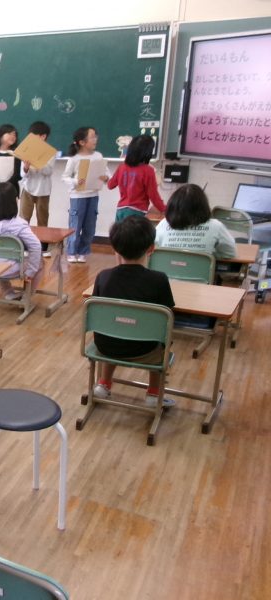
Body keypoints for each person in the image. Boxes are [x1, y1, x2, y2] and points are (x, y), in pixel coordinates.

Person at [92, 216, 175, 407]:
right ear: (151, 248)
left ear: (115, 248)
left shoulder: (103, 277)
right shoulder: (159, 280)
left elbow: (98, 316)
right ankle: (153, 393)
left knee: (114, 326)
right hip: (145, 350)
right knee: (160, 337)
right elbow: (167, 318)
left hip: (105, 347)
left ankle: (103, 384)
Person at [0, 182, 44, 300]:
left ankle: (8, 292)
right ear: (13, 202)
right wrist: (30, 273)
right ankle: (26, 297)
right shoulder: (18, 224)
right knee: (40, 262)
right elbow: (36, 246)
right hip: (7, 269)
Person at [62, 126, 110, 263]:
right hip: (78, 196)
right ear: (82, 142)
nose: (95, 139)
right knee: (75, 225)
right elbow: (65, 177)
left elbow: (107, 173)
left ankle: (83, 252)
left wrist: (106, 178)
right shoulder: (74, 158)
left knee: (90, 226)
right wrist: (75, 181)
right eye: (92, 137)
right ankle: (71, 252)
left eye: (96, 136)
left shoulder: (98, 156)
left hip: (93, 195)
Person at [154, 183, 236, 259]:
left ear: (172, 205)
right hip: (202, 270)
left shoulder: (163, 224)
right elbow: (230, 253)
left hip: (165, 269)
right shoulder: (216, 226)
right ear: (203, 206)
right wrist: (210, 255)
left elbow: (152, 250)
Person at [107, 135, 166, 222]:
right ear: (147, 152)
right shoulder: (148, 170)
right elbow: (153, 195)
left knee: (119, 231)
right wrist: (165, 209)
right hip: (136, 212)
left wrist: (106, 178)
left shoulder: (122, 167)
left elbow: (110, 185)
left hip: (120, 211)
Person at [19, 121, 55, 256]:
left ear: (43, 136)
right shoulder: (26, 149)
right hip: (28, 189)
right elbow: (22, 174)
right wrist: (26, 167)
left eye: (34, 136)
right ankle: (24, 247)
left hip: (43, 191)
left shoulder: (50, 152)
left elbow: (48, 171)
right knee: (24, 219)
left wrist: (37, 162)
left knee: (42, 219)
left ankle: (43, 247)